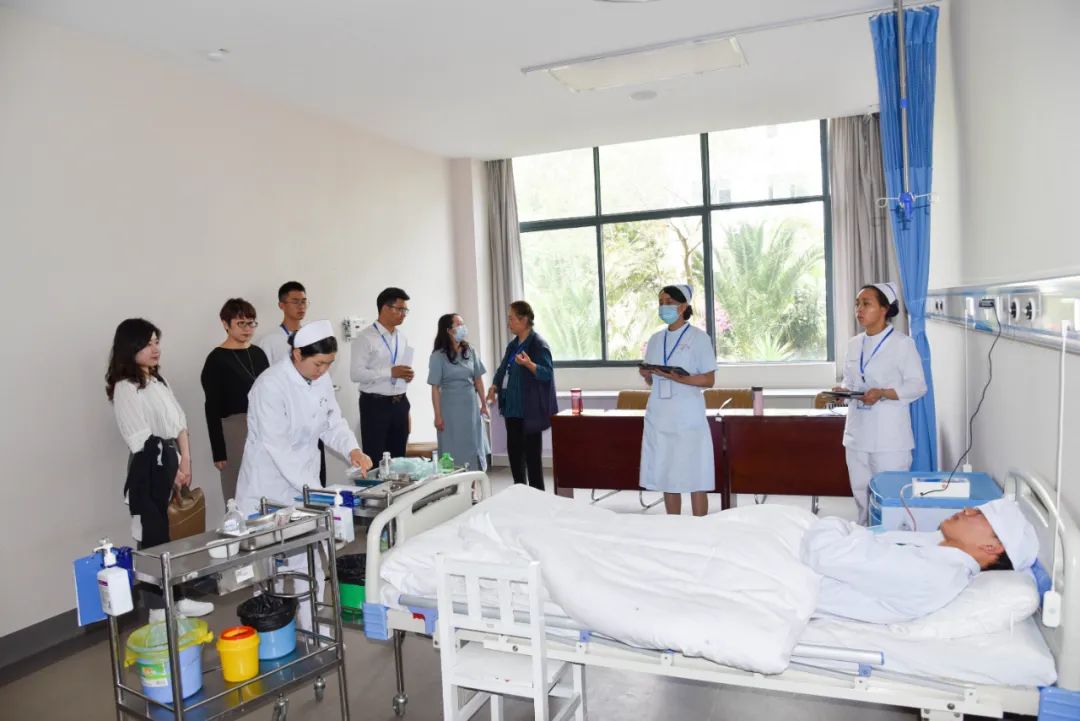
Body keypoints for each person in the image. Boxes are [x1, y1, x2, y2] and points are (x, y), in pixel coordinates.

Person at [236, 320, 372, 629]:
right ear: (297, 354)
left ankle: (315, 630)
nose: (323, 370)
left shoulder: (319, 379)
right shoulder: (270, 386)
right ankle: (270, 635)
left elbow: (332, 423)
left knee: (308, 561)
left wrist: (352, 449)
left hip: (303, 482)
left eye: (329, 364)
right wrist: (319, 493)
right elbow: (279, 449)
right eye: (318, 363)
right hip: (267, 486)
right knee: (267, 570)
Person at [106, 318, 213, 617]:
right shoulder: (126, 388)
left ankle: (178, 598)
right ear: (130, 348)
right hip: (149, 466)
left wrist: (186, 459)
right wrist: (172, 468)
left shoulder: (158, 381)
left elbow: (179, 423)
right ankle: (157, 609)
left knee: (176, 533)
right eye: (147, 344)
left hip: (172, 458)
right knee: (152, 537)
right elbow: (139, 438)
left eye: (156, 342)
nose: (155, 349)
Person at [803, 497, 1039, 623]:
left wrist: (835, 524)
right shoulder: (937, 544)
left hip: (799, 576)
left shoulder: (934, 575)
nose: (967, 509)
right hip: (809, 548)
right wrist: (849, 532)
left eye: (979, 514)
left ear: (992, 547)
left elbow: (825, 554)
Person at [835, 282, 928, 524]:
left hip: (889, 437)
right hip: (857, 433)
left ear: (884, 309)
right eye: (857, 304)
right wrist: (843, 391)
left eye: (866, 304)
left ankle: (890, 539)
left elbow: (918, 386)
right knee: (861, 494)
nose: (859, 309)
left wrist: (883, 393)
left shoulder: (902, 344)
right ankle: (865, 534)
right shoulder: (854, 344)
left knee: (890, 498)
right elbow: (851, 380)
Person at [638, 285, 717, 517]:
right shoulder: (655, 340)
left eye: (669, 302)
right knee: (667, 474)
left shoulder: (699, 338)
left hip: (687, 417)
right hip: (660, 416)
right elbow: (653, 381)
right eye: (661, 302)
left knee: (695, 475)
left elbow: (709, 380)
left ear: (683, 307)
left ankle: (699, 527)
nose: (663, 307)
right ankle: (673, 526)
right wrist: (647, 375)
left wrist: (680, 378)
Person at [200, 298, 270, 504]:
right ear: (225, 324)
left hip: (264, 424)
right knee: (237, 488)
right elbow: (211, 407)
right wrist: (218, 451)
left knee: (266, 484)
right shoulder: (216, 359)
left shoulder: (258, 353)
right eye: (241, 323)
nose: (247, 329)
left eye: (251, 323)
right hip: (234, 428)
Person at [486, 301, 557, 491]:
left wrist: (529, 365)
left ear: (524, 320)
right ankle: (519, 493)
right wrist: (494, 386)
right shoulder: (513, 345)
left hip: (529, 411)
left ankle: (537, 497)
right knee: (515, 457)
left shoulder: (538, 344)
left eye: (511, 319)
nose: (508, 322)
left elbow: (547, 373)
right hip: (512, 410)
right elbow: (503, 369)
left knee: (532, 460)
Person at [351, 287, 414, 463]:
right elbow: (356, 374)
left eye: (405, 310)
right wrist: (390, 372)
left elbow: (399, 369)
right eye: (400, 309)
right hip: (375, 405)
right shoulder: (365, 337)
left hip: (400, 402)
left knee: (399, 460)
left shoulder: (402, 337)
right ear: (385, 308)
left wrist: (406, 375)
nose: (404, 314)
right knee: (375, 458)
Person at [428, 313, 489, 471]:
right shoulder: (438, 356)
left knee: (473, 444)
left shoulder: (470, 351)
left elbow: (478, 379)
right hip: (450, 409)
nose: (463, 327)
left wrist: (484, 404)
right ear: (449, 330)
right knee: (452, 446)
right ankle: (453, 481)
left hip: (470, 406)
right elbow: (435, 388)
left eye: (463, 323)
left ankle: (473, 482)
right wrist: (437, 415)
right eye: (459, 324)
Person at [257, 281, 308, 365]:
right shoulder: (269, 340)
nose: (301, 306)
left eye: (303, 301)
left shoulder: (311, 336)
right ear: (281, 305)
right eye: (295, 302)